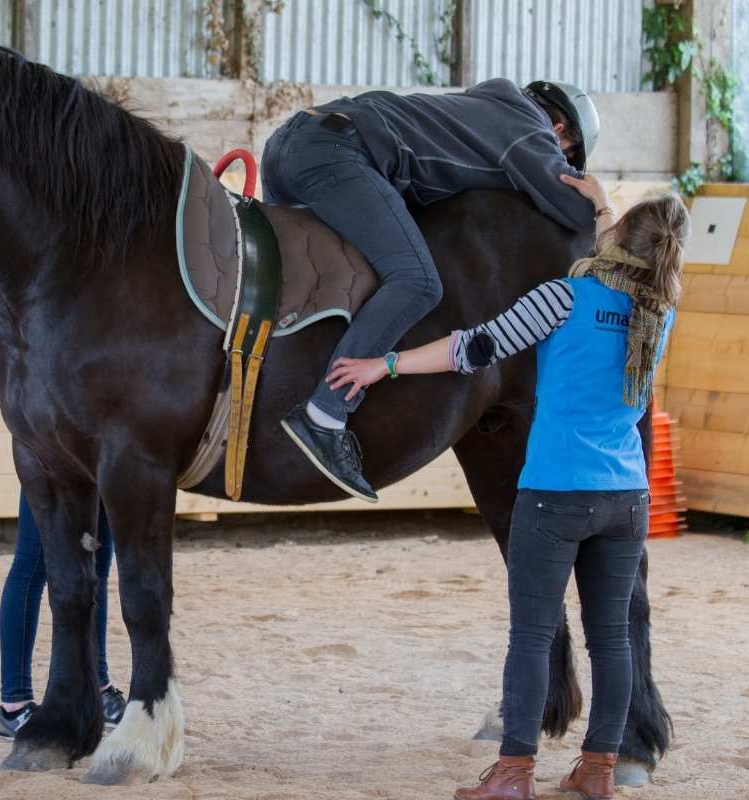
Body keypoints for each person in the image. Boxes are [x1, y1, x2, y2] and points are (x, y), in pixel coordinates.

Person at [325, 193, 689, 800]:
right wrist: (602, 206)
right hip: (625, 498)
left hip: (555, 494)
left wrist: (383, 365)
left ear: (619, 239)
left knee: (532, 635)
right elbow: (626, 250)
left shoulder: (564, 298)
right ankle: (599, 768)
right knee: (611, 639)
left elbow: (473, 347)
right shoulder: (658, 310)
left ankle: (513, 773)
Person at [264, 79, 603, 503]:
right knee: (416, 280)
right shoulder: (528, 129)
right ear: (558, 131)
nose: (563, 162)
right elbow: (572, 209)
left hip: (287, 144)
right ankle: (325, 415)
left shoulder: (486, 106)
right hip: (337, 154)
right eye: (567, 155)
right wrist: (600, 201)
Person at [0, 493, 127, 739]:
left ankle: (99, 685)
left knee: (97, 567)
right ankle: (14, 704)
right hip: (49, 461)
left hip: (98, 463)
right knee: (31, 565)